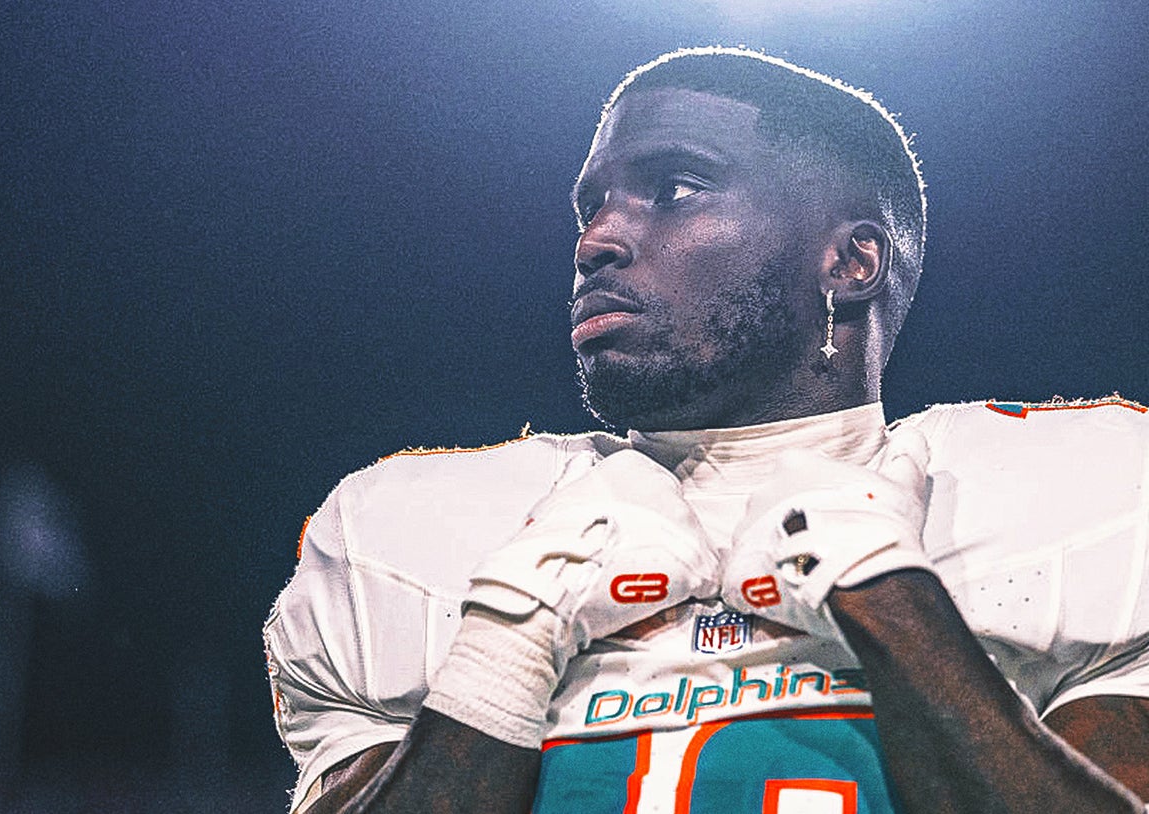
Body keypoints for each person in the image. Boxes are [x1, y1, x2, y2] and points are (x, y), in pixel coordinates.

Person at [263, 47, 1149, 813]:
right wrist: (508, 637)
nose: (595, 240)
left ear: (851, 260)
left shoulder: (1084, 495)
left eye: (673, 189)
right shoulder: (403, 531)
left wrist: (887, 596)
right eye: (590, 206)